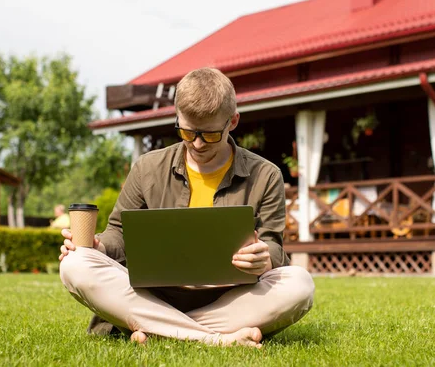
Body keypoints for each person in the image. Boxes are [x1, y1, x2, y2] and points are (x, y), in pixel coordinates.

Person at [59, 67, 314, 348]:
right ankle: (213, 339)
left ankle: (159, 328)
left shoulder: (266, 175)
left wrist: (264, 259)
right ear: (177, 117)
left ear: (233, 121)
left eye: (210, 135)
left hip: (229, 299)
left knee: (299, 284)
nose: (198, 143)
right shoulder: (147, 167)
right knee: (75, 264)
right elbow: (118, 233)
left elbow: (273, 245)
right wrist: (97, 247)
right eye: (187, 132)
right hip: (153, 295)